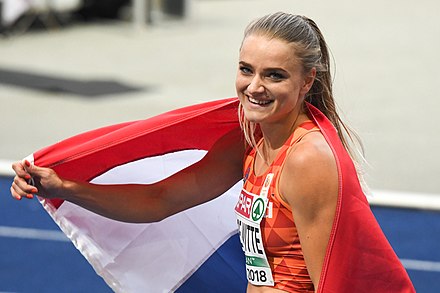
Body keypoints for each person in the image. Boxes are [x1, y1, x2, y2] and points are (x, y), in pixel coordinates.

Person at [10, 12, 414, 293]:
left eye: (275, 75)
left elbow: (334, 280)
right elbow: (160, 199)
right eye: (246, 69)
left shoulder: (308, 160)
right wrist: (65, 186)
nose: (254, 87)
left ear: (308, 81)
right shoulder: (251, 136)